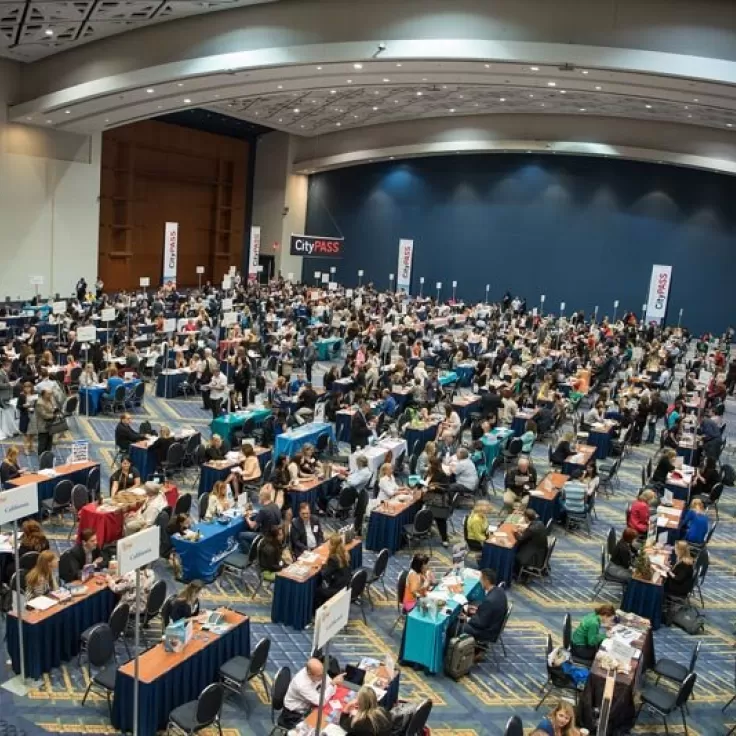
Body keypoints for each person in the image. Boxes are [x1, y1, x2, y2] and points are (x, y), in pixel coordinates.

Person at [279, 658, 345, 729]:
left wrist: (332, 685)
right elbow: (320, 702)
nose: (323, 677)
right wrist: (332, 684)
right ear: (309, 674)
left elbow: (329, 684)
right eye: (320, 675)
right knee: (318, 729)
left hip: (308, 707)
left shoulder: (318, 672)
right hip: (293, 715)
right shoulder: (301, 684)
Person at [459, 568, 508, 655]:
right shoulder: (499, 591)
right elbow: (489, 612)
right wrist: (479, 610)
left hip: (488, 632)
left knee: (456, 626)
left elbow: (479, 623)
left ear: (486, 581)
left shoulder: (489, 601)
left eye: (481, 579)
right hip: (494, 624)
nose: (480, 581)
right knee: (475, 605)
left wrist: (467, 618)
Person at [238, 485, 282, 553]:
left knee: (241, 535)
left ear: (262, 498)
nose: (258, 499)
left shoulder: (263, 510)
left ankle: (251, 553)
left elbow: (252, 526)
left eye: (259, 497)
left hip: (265, 536)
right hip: (274, 534)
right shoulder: (275, 505)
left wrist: (246, 517)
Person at [315, 534, 352, 609]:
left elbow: (324, 574)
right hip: (345, 585)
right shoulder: (345, 554)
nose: (328, 546)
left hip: (337, 589)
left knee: (317, 591)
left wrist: (321, 566)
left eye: (329, 544)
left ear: (333, 546)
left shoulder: (333, 559)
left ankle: (317, 612)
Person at [423, 456, 452, 546]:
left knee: (440, 520)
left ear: (433, 465)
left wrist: (433, 488)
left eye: (429, 464)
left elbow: (445, 488)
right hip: (427, 497)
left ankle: (444, 538)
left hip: (438, 500)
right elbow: (425, 482)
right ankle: (424, 529)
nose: (427, 465)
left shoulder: (442, 475)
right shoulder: (428, 473)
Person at [513, 508, 548, 575]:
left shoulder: (531, 529)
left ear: (526, 517)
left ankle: (517, 573)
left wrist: (515, 532)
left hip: (535, 557)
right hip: (541, 551)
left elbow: (520, 539)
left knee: (516, 554)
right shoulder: (539, 523)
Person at [17, 381, 37, 454]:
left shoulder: (34, 395)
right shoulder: (22, 396)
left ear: (31, 387)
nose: (27, 389)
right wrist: (23, 406)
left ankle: (31, 446)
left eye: (29, 387)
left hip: (33, 415)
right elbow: (18, 406)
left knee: (32, 433)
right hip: (25, 416)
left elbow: (36, 404)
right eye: (26, 387)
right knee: (26, 433)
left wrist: (34, 407)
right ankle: (26, 448)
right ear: (24, 388)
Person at [35, 388, 57, 455]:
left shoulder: (51, 399)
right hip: (43, 425)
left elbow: (54, 407)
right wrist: (53, 415)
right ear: (43, 394)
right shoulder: (39, 403)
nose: (50, 395)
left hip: (50, 424)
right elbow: (44, 415)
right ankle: (41, 457)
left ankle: (47, 455)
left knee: (49, 442)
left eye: (51, 393)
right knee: (42, 443)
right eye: (48, 394)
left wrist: (55, 410)